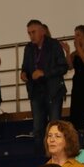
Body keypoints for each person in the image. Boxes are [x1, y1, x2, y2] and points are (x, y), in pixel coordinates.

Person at [22, 19, 69, 154]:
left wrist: (44, 73)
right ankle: (40, 157)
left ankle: (57, 155)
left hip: (53, 91)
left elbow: (63, 67)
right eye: (29, 33)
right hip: (36, 91)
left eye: (33, 32)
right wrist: (24, 74)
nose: (31, 35)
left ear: (42, 31)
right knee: (37, 127)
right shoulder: (28, 48)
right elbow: (25, 67)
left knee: (54, 125)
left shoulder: (54, 45)